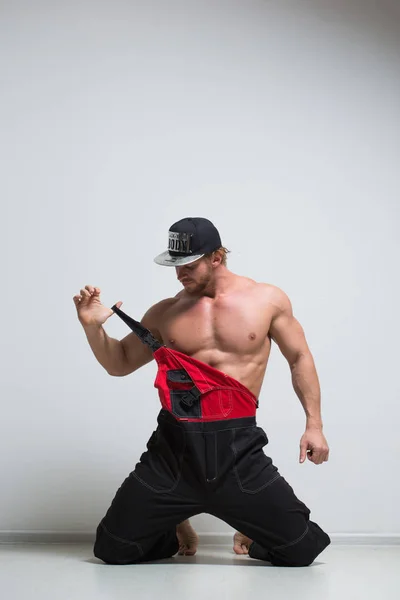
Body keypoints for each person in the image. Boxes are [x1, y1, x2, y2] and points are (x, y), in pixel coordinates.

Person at [73, 217, 331, 566]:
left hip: (239, 450)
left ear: (216, 257)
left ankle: (251, 528)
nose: (180, 275)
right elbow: (118, 362)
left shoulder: (266, 300)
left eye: (188, 266)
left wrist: (313, 424)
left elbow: (299, 357)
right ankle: (175, 521)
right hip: (174, 450)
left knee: (301, 550)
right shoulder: (166, 313)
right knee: (111, 548)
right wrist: (92, 329)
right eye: (175, 266)